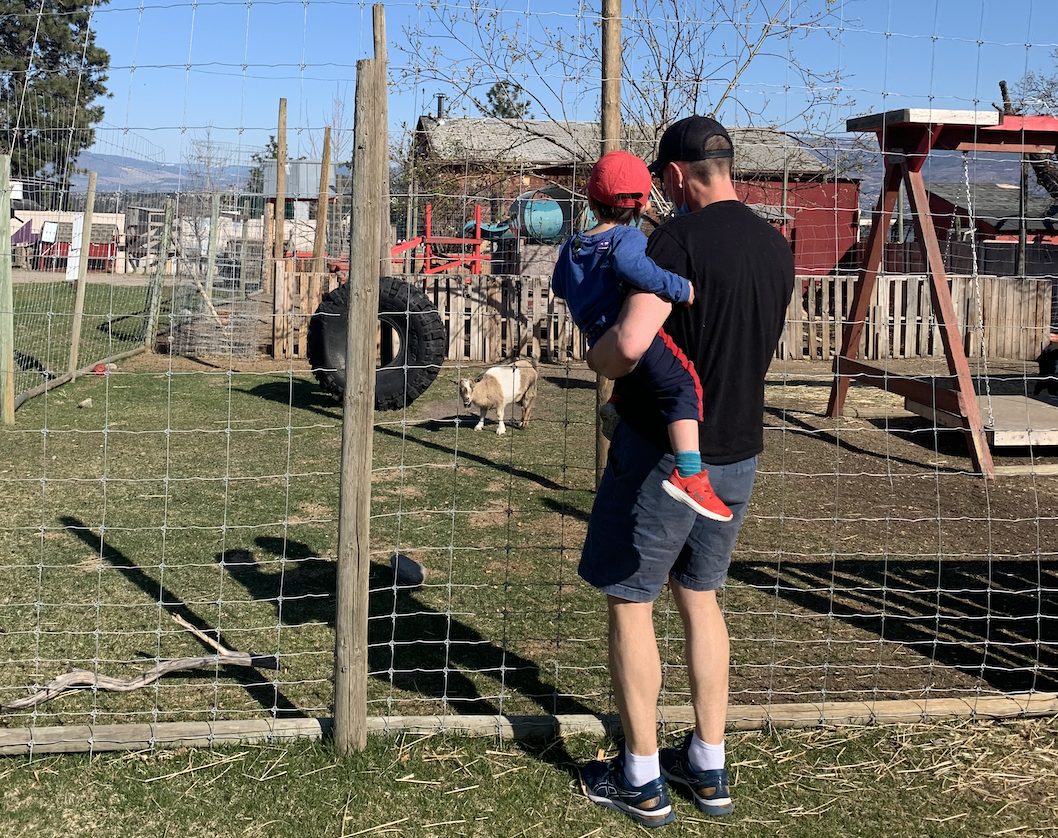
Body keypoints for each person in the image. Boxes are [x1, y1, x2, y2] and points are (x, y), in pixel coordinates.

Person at [578, 116, 795, 827]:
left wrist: (596, 360)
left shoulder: (671, 241)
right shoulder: (775, 245)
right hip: (739, 452)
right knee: (700, 598)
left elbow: (633, 341)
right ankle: (708, 761)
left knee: (631, 599)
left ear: (673, 177)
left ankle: (639, 775)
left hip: (662, 460)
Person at [552, 149, 732, 521]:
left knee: (646, 377)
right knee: (683, 384)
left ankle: (618, 405)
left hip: (595, 333)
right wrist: (678, 287)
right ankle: (689, 473)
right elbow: (632, 266)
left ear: (589, 199)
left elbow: (558, 285)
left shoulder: (573, 245)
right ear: (644, 201)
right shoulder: (627, 238)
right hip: (626, 329)